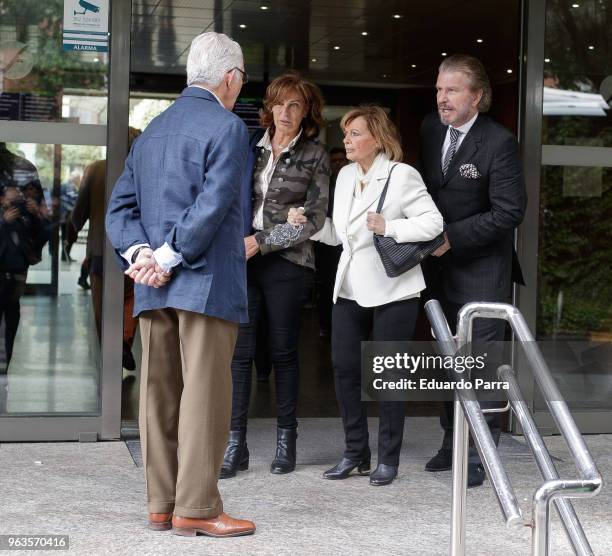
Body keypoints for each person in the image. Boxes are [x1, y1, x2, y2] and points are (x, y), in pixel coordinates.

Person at [105, 32, 255, 537]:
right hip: (205, 282)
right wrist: (168, 255)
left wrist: (142, 254)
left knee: (158, 394)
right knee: (205, 396)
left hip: (153, 287)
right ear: (231, 78)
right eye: (242, 80)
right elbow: (214, 204)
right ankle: (197, 507)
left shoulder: (152, 132)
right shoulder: (229, 127)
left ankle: (160, 503)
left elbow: (119, 209)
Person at [290, 106, 443, 486]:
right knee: (344, 369)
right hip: (350, 286)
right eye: (345, 133)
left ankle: (388, 458)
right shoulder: (344, 176)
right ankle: (355, 452)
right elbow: (340, 236)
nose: (346, 140)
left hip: (394, 287)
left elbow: (434, 222)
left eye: (355, 133)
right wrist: (308, 226)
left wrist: (389, 225)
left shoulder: (401, 174)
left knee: (389, 375)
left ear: (377, 137)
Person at [419, 54, 527, 487]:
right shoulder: (429, 129)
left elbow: (509, 212)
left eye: (452, 90)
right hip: (437, 273)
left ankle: (481, 455)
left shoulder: (498, 142)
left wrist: (451, 237)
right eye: (439, 89)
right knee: (447, 361)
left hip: (483, 270)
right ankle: (452, 443)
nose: (442, 98)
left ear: (476, 97)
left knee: (478, 364)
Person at [219, 71, 329, 479]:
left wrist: (262, 240)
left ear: (306, 112)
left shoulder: (315, 155)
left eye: (295, 104)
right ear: (269, 108)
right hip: (242, 263)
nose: (286, 112)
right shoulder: (250, 146)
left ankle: (287, 439)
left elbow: (314, 218)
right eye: (280, 103)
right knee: (240, 354)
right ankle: (236, 444)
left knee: (283, 352)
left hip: (288, 264)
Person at [72, 128, 142, 371]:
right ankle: (123, 342)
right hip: (137, 251)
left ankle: (108, 356)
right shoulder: (144, 168)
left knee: (102, 307)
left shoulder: (96, 169)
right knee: (131, 301)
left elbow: (78, 212)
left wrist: (69, 240)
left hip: (101, 251)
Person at [0, 146, 50, 372]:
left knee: (11, 314)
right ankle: (4, 370)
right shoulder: (25, 168)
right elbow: (43, 228)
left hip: (14, 260)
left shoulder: (24, 169)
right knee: (11, 315)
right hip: (15, 262)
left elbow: (43, 226)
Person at [315, 147, 348, 338]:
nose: (337, 164)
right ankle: (325, 326)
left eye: (341, 160)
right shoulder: (323, 184)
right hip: (325, 243)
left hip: (348, 243)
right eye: (333, 161)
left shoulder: (354, 181)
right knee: (327, 286)